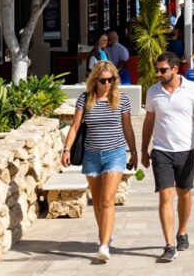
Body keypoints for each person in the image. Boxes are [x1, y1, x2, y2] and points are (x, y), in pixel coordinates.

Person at [60, 62, 136, 263]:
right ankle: (105, 234)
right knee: (97, 201)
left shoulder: (122, 100)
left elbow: (127, 127)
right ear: (95, 80)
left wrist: (134, 152)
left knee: (107, 199)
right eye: (103, 80)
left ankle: (103, 245)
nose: (108, 84)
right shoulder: (85, 100)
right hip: (92, 156)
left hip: (115, 154)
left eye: (112, 80)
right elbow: (75, 127)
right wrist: (66, 149)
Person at [140, 52, 194, 263]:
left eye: (163, 70)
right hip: (161, 151)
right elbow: (148, 122)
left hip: (186, 151)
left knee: (185, 194)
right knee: (165, 196)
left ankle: (182, 232)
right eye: (157, 69)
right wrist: (143, 149)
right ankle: (169, 244)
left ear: (174, 69)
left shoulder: (192, 89)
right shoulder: (153, 92)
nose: (158, 73)